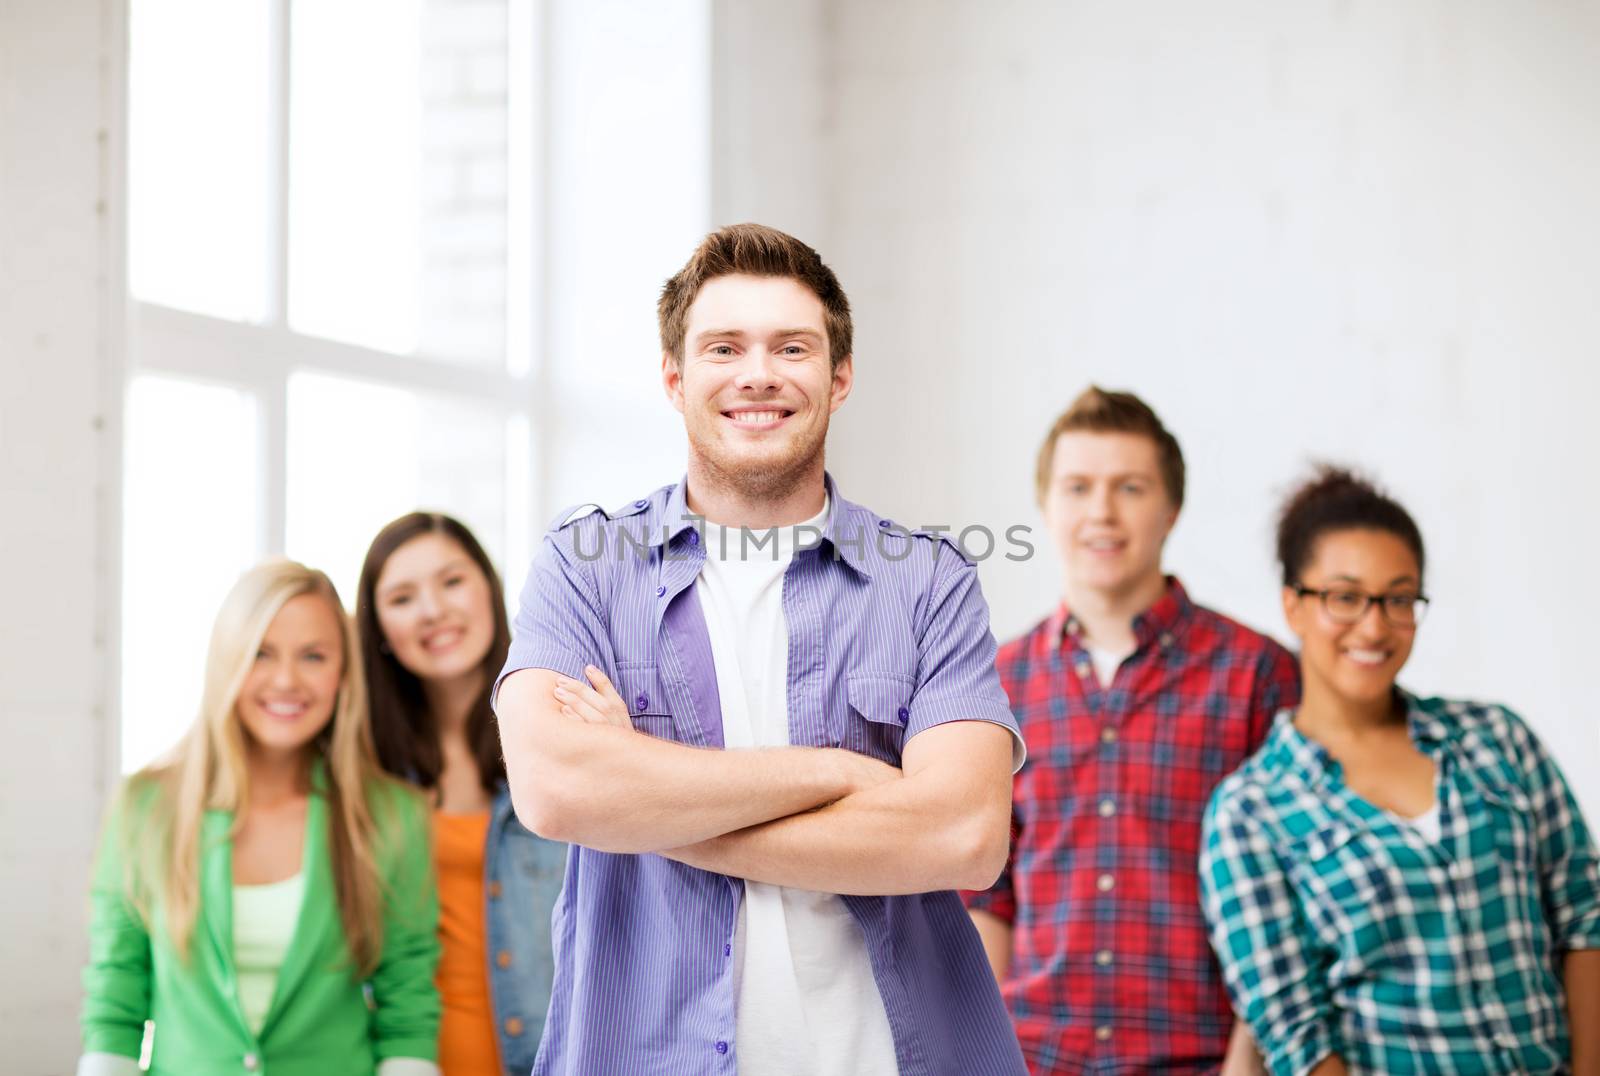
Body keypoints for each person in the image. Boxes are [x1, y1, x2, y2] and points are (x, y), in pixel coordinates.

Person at [492, 222, 1029, 1075]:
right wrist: (840, 773)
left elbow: (965, 832)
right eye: (723, 347)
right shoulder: (586, 567)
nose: (758, 374)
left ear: (839, 375)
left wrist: (648, 801)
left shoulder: (929, 583)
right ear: (675, 378)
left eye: (792, 346)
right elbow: (557, 791)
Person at [1201, 467, 1600, 1074]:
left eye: (1398, 597)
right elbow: (1297, 1038)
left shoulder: (1498, 740)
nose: (1374, 624)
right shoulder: (1250, 813)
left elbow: (1584, 916)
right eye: (1345, 596)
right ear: (1294, 605)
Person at [964, 386, 1300, 1074]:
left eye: (1130, 487)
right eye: (1078, 487)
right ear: (1046, 506)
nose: (1101, 513)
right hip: (1036, 1057)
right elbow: (986, 895)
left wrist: (1247, 1064)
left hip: (1202, 1058)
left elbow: (1290, 891)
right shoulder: (997, 680)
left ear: (1170, 508)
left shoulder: (1256, 674)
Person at [78, 559, 440, 1076]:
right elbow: (115, 999)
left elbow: (407, 1006)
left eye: (313, 656)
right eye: (261, 654)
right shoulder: (145, 807)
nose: (287, 680)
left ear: (342, 674)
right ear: (226, 662)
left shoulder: (391, 815)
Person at [358, 512, 566, 1076]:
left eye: (452, 582)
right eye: (402, 597)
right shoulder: (363, 770)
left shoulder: (558, 738)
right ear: (377, 626)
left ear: (489, 590)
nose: (433, 610)